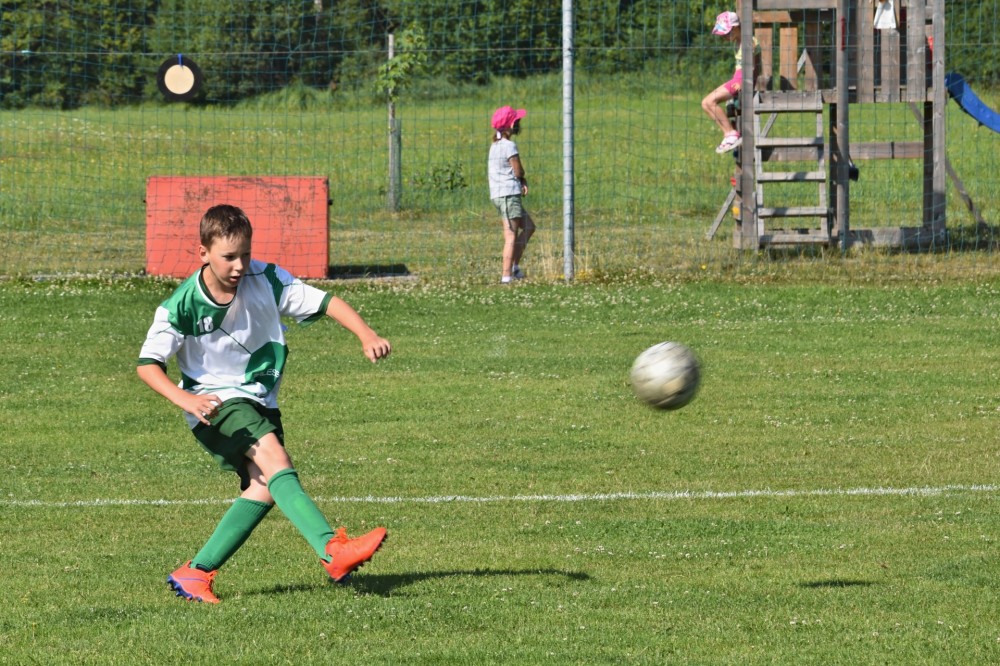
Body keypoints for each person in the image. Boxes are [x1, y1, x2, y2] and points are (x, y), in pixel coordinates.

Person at [136, 204, 391, 604]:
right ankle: (333, 550)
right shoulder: (181, 305)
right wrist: (186, 398)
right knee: (276, 458)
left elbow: (327, 302)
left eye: (245, 254)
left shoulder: (267, 278)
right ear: (203, 252)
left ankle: (195, 573)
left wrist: (366, 334)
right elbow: (147, 365)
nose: (239, 266)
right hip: (215, 402)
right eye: (228, 257)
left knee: (264, 486)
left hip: (258, 398)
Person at [488, 105, 536, 284]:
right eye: (517, 121)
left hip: (500, 195)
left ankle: (515, 267)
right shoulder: (509, 146)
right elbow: (518, 170)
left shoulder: (494, 146)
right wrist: (522, 179)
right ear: (510, 125)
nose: (519, 123)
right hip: (508, 195)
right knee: (510, 236)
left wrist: (521, 181)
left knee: (529, 227)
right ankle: (506, 277)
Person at [701, 10, 759, 154]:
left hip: (742, 80)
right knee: (706, 103)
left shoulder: (748, 42)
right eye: (723, 35)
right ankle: (729, 133)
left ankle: (730, 134)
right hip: (737, 78)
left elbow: (752, 67)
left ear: (735, 27)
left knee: (709, 102)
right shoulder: (739, 42)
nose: (725, 37)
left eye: (727, 33)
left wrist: (744, 83)